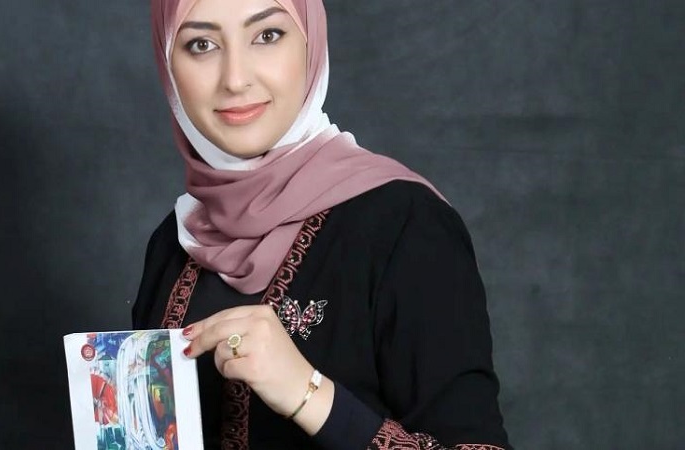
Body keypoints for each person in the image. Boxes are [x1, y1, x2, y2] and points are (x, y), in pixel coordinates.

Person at [132, 1, 512, 449]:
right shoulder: (176, 242)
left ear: (311, 44)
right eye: (202, 44)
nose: (235, 79)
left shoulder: (405, 226)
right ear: (168, 63)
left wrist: (307, 394)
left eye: (267, 36)